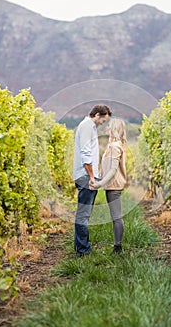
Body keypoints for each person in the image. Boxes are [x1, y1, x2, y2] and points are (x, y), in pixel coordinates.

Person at [73, 104, 112, 257]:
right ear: (97, 115)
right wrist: (91, 177)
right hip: (85, 177)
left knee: (84, 214)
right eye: (103, 119)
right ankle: (83, 251)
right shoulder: (87, 127)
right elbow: (85, 154)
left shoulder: (89, 127)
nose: (104, 123)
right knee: (83, 214)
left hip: (86, 176)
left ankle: (81, 248)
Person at [90, 118, 127, 253]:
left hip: (114, 186)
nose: (106, 128)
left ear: (114, 129)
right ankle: (118, 246)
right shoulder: (115, 145)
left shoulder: (114, 147)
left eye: (109, 126)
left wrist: (99, 183)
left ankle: (118, 247)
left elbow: (112, 170)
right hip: (112, 185)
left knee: (116, 216)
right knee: (115, 216)